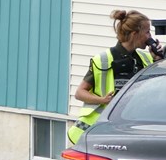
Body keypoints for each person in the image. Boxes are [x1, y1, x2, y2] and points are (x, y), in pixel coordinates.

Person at [67, 9, 159, 144]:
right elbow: (80, 93)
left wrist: (157, 60)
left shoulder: (145, 58)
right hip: (99, 131)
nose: (150, 37)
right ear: (134, 34)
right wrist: (103, 100)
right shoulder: (103, 59)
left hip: (129, 128)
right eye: (147, 32)